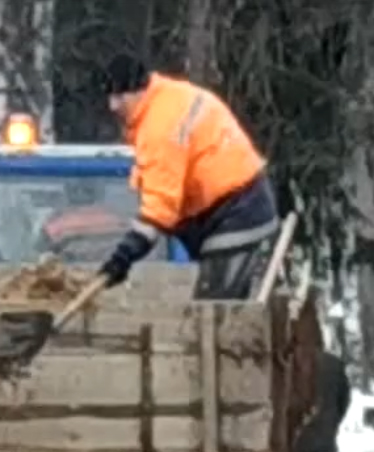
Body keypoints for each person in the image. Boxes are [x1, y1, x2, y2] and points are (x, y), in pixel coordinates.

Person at [95, 54, 280, 300]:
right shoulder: (167, 98)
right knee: (214, 308)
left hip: (236, 213)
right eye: (110, 96)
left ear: (139, 89)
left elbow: (159, 208)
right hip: (234, 206)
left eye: (119, 96)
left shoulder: (160, 126)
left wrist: (123, 257)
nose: (113, 106)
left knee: (213, 313)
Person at [292, 346, 352, 452]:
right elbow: (344, 400)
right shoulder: (334, 364)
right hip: (324, 440)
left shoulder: (290, 362)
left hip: (298, 440)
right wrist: (333, 423)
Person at [37, 179, 128, 262]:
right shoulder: (120, 218)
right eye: (76, 189)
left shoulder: (54, 221)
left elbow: (41, 253)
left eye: (86, 190)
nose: (80, 193)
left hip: (67, 274)